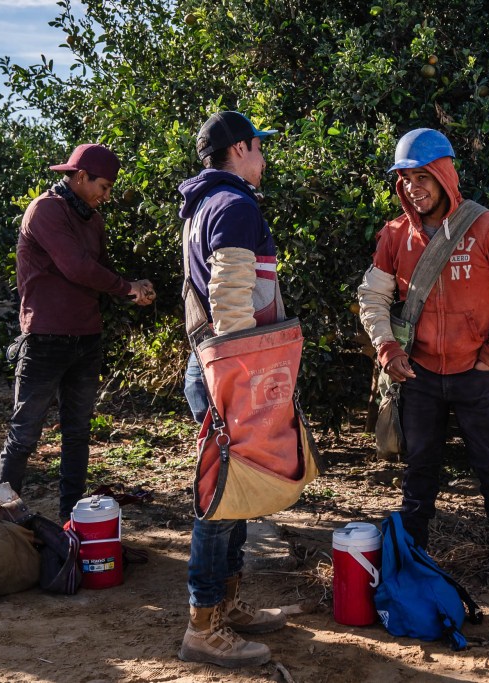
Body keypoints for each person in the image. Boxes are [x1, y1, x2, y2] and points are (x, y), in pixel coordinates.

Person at [357, 128, 489, 609]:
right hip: (419, 378)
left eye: (423, 177)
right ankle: (411, 564)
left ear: (444, 175)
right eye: (405, 179)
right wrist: (388, 349)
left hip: (475, 377)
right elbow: (372, 296)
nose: (414, 188)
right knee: (420, 473)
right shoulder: (395, 235)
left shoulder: (484, 226)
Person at [176, 111, 288, 668]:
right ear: (240, 149)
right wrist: (242, 376)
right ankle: (203, 625)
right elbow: (230, 297)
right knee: (220, 498)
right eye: (258, 148)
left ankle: (227, 603)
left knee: (234, 489)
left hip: (212, 363)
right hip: (229, 369)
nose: (264, 159)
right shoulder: (236, 205)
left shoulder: (201, 205)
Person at [0, 144, 155, 522]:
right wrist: (127, 287)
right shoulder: (46, 210)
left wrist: (134, 288)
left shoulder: (92, 219)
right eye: (103, 186)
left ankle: (72, 520)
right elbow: (77, 267)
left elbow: (102, 272)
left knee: (78, 433)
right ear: (80, 177)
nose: (107, 195)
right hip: (45, 340)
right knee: (24, 435)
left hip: (86, 339)